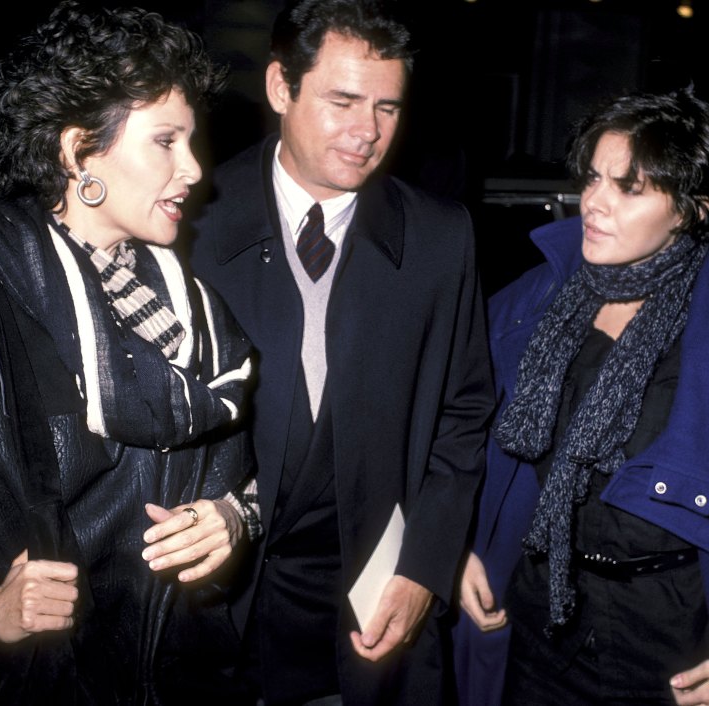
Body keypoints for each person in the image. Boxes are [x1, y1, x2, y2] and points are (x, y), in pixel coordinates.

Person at [0, 2, 258, 703]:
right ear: (77, 151)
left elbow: (247, 476)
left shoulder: (199, 313)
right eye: (166, 141)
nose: (195, 170)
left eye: (192, 141)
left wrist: (233, 518)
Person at [454, 86, 709, 706]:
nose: (593, 202)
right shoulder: (530, 305)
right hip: (532, 636)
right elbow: (454, 444)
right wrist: (459, 547)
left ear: (695, 209)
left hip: (683, 656)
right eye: (593, 178)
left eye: (629, 187)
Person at [188, 1, 494, 703]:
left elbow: (464, 412)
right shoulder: (185, 222)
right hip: (213, 609)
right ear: (279, 89)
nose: (368, 132)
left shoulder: (441, 239)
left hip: (365, 606)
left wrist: (426, 568)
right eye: (344, 100)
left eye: (388, 107)